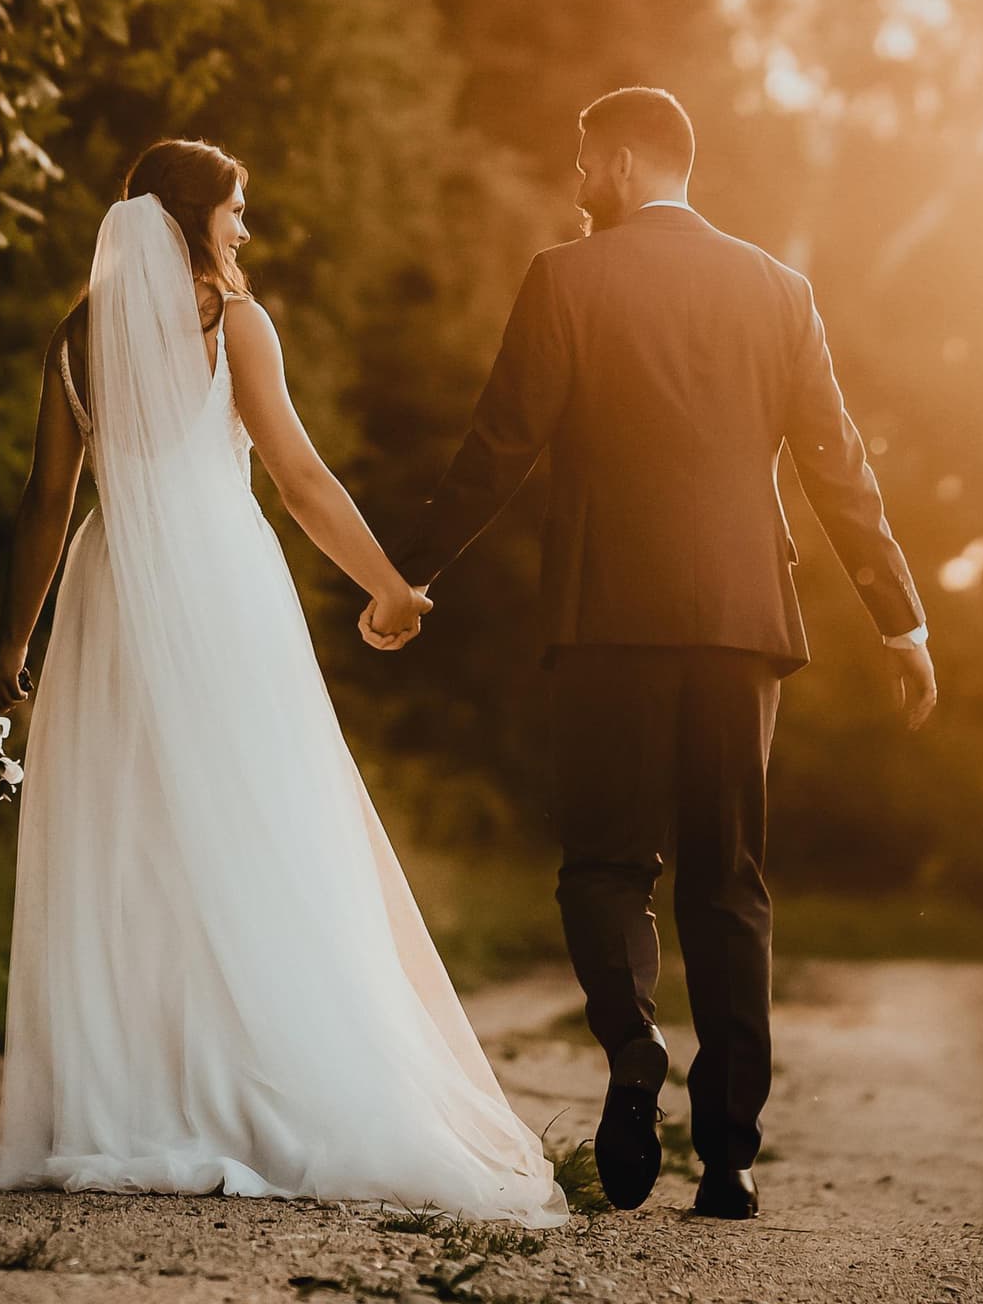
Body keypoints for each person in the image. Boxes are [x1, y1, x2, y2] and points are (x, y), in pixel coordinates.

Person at [0, 139, 561, 1220]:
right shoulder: (234, 323)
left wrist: (14, 641)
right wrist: (388, 584)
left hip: (108, 600)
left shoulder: (76, 337)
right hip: (218, 590)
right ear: (190, 217)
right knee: (254, 822)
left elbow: (46, 503)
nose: (245, 228)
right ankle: (246, 1080)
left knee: (131, 837)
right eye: (236, 209)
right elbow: (298, 476)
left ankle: (128, 1094)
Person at [381, 86, 936, 1222]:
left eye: (585, 160)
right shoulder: (781, 290)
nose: (574, 181)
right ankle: (727, 1155)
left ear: (628, 162)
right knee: (729, 884)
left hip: (606, 619)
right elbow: (838, 464)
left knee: (603, 864)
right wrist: (901, 615)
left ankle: (633, 1045)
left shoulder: (565, 279)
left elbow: (499, 447)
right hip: (741, 627)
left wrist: (413, 572)